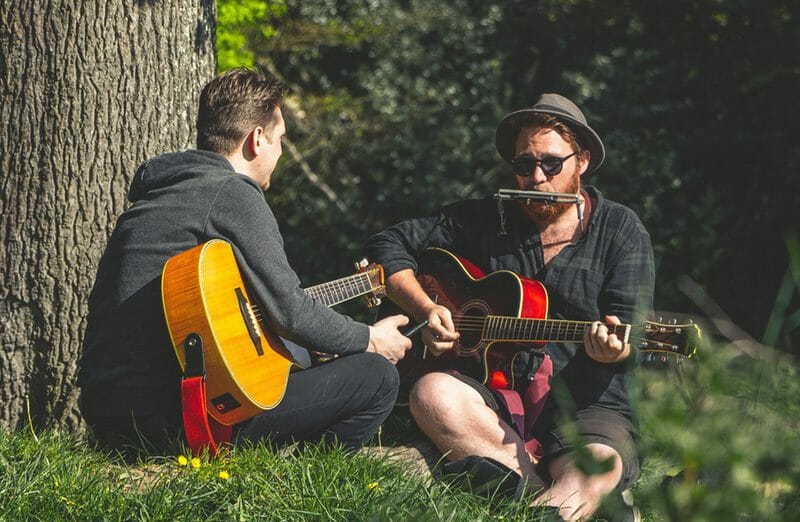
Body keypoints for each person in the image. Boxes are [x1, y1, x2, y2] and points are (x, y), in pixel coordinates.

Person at [78, 67, 412, 459]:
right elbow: (291, 312)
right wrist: (370, 339)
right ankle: (295, 490)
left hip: (110, 416)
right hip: (176, 421)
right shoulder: (232, 193)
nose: (281, 152)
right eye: (280, 139)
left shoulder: (162, 195)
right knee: (377, 379)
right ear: (256, 139)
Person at [364, 93, 654, 520]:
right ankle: (563, 501)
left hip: (586, 406)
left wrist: (618, 349)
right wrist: (426, 308)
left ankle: (557, 498)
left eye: (551, 164)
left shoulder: (621, 230)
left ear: (583, 160)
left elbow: (633, 334)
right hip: (496, 394)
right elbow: (386, 246)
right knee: (431, 394)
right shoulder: (486, 218)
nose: (536, 177)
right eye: (523, 165)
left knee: (595, 466)